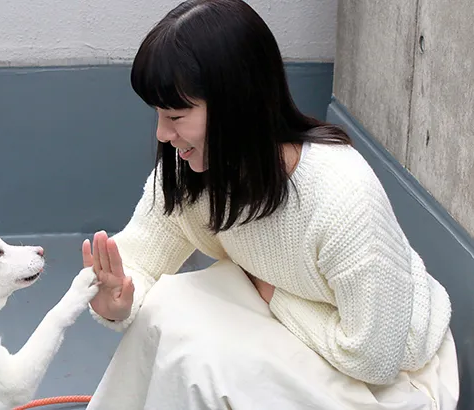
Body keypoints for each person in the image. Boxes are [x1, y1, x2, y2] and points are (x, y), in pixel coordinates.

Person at [81, 0, 460, 408]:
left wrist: (270, 293)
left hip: (391, 380)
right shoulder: (192, 174)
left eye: (175, 116)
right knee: (169, 307)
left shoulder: (342, 196)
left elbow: (374, 357)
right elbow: (139, 261)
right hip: (300, 327)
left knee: (202, 357)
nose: (161, 134)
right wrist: (117, 303)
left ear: (236, 104)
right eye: (159, 115)